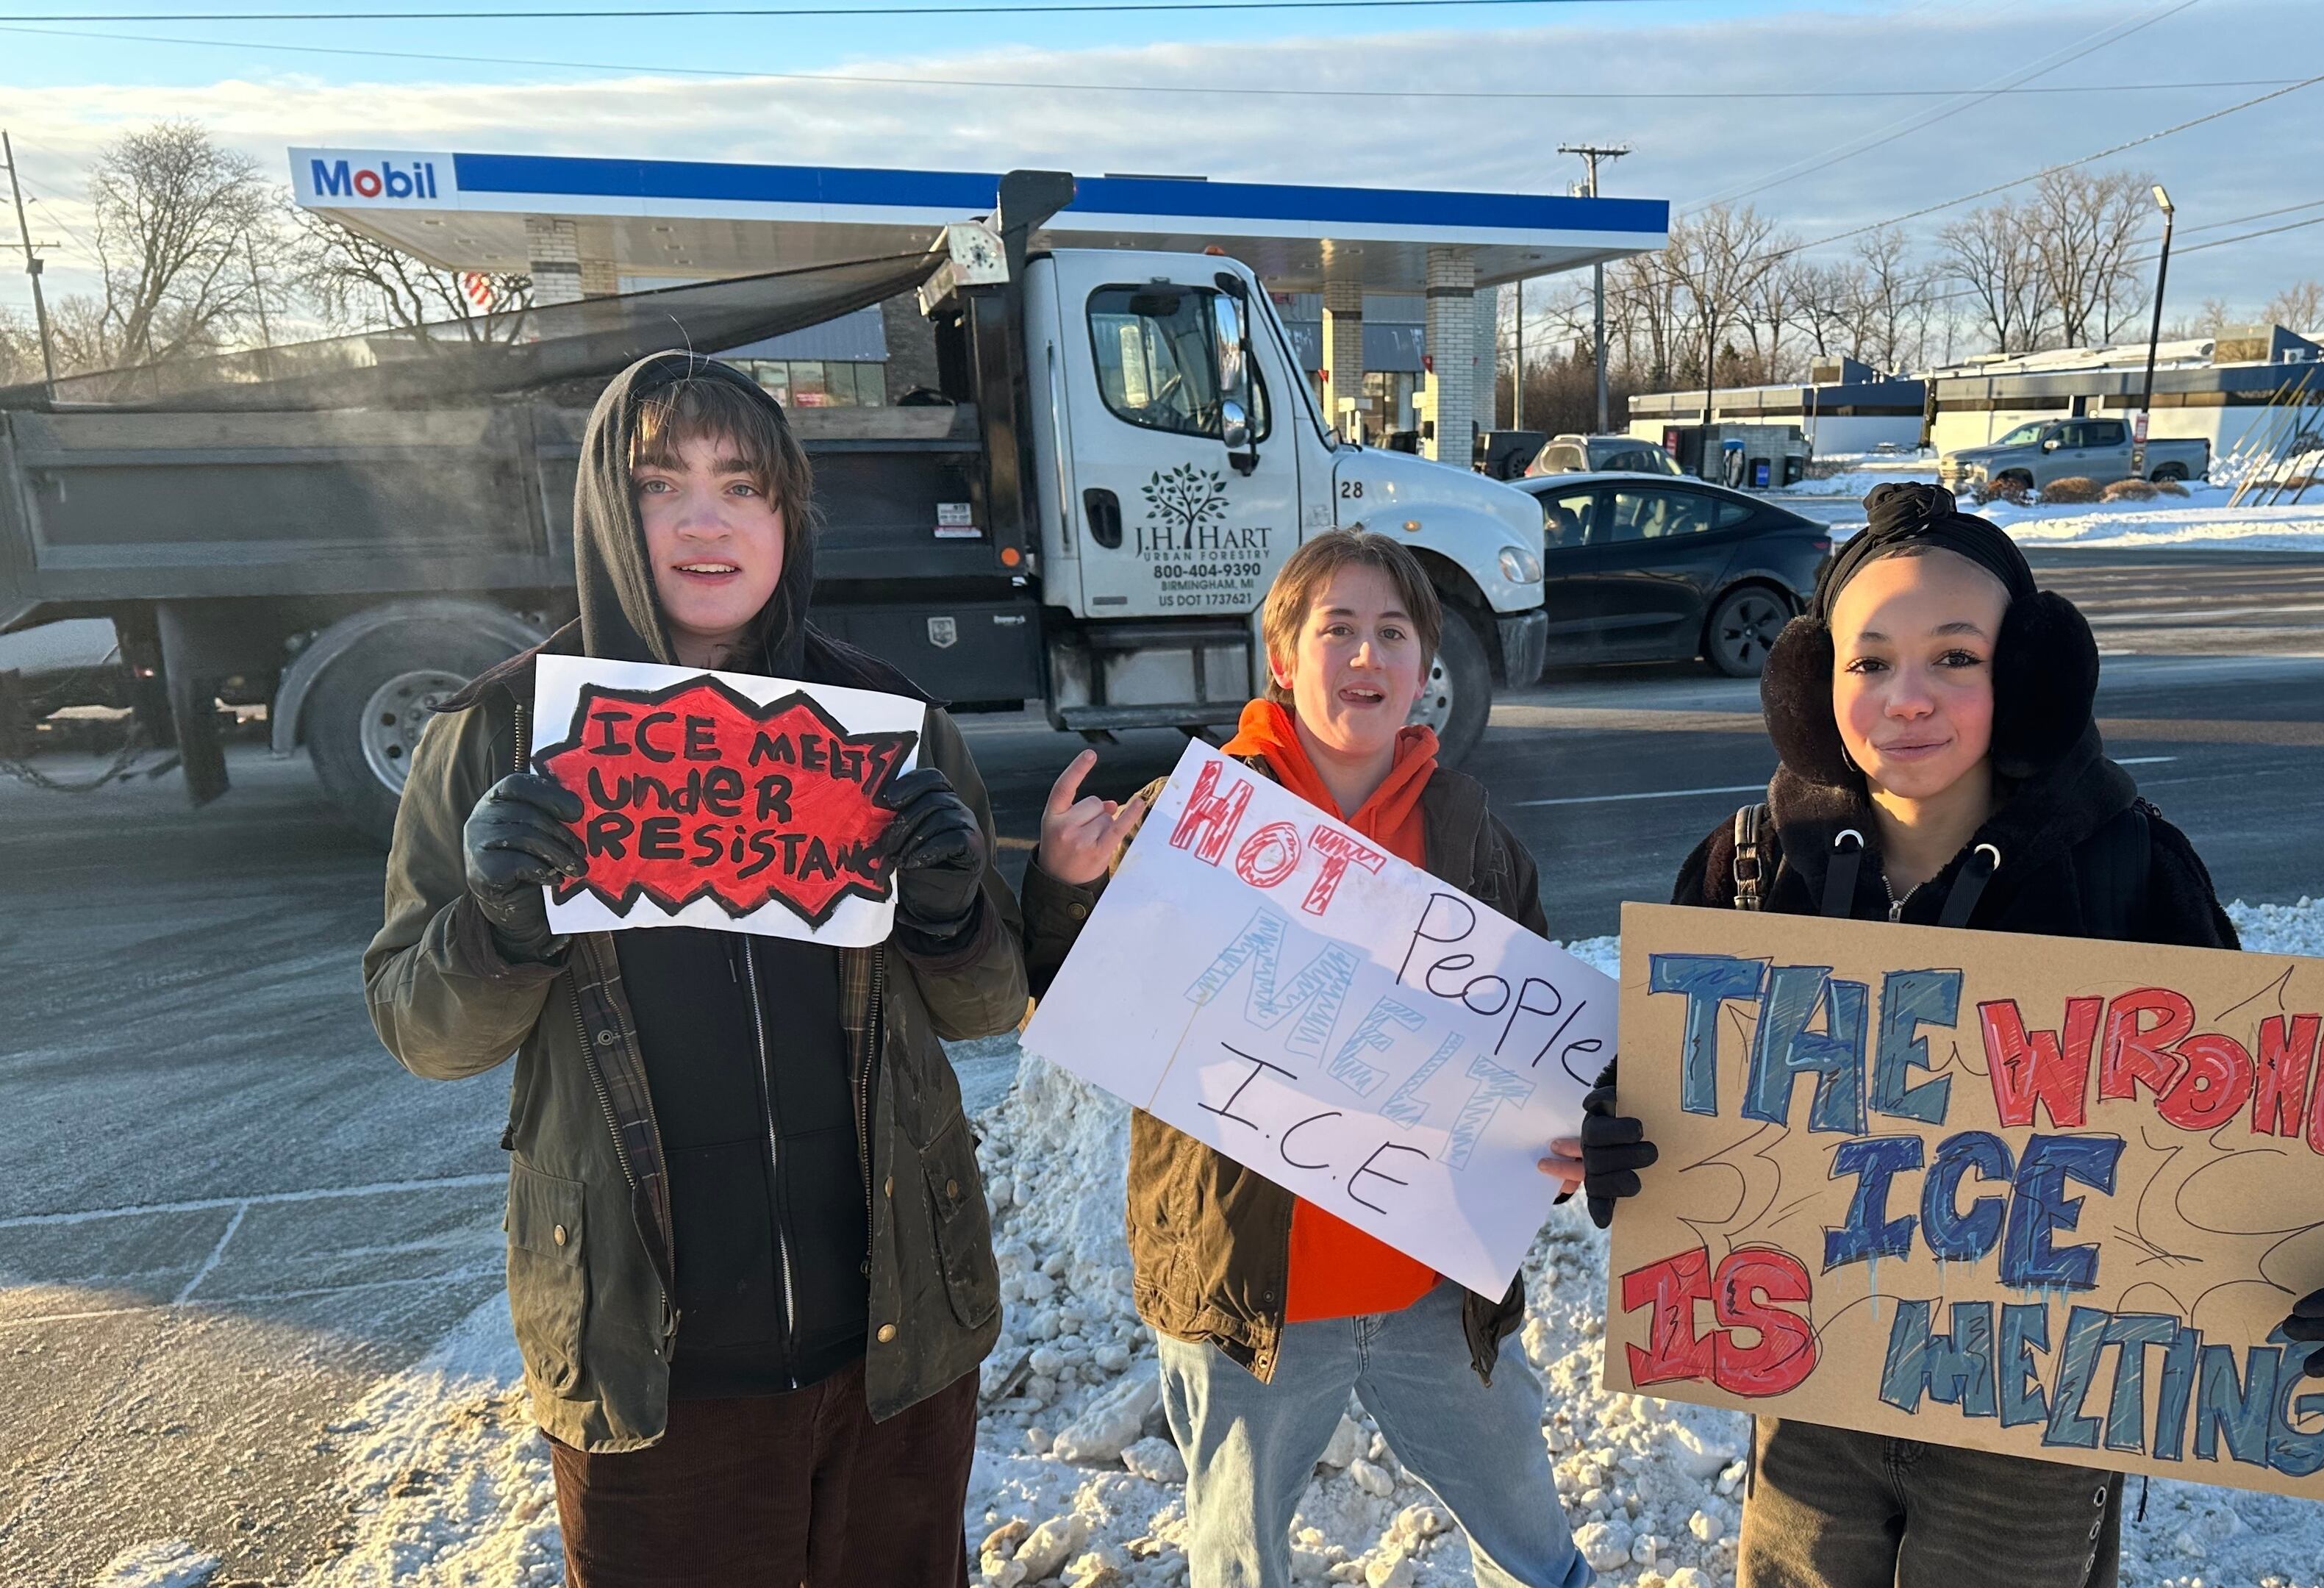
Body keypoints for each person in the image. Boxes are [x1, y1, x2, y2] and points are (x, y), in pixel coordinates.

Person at [1576, 482, 2324, 1588]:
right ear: (1813, 680)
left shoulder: (2121, 863)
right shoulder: (1747, 866)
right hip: (1811, 1388)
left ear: (2028, 680)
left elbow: (2263, 1091)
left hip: (2033, 1414)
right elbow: (1666, 1080)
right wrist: (1625, 1138)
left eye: (1956, 658)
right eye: (1869, 660)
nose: (1907, 698)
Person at [364, 353, 1028, 1588]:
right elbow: (422, 1029)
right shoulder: (498, 733)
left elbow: (989, 1008)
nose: (708, 519)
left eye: (745, 486)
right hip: (651, 1371)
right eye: (662, 483)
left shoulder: (889, 725)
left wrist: (949, 911)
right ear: (611, 516)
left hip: (893, 1349)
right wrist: (497, 923)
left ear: (789, 519)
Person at [1023, 530, 1592, 1588]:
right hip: (1250, 1297)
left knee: (1533, 1542)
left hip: (1432, 1291)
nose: (1366, 657)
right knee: (1240, 1560)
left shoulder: (1471, 833)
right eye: (1338, 630)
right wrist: (1064, 884)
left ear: (1427, 669)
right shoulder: (1195, 820)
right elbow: (1069, 998)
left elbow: (1539, 1043)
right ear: (1283, 657)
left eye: (1393, 634)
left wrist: (1570, 1139)